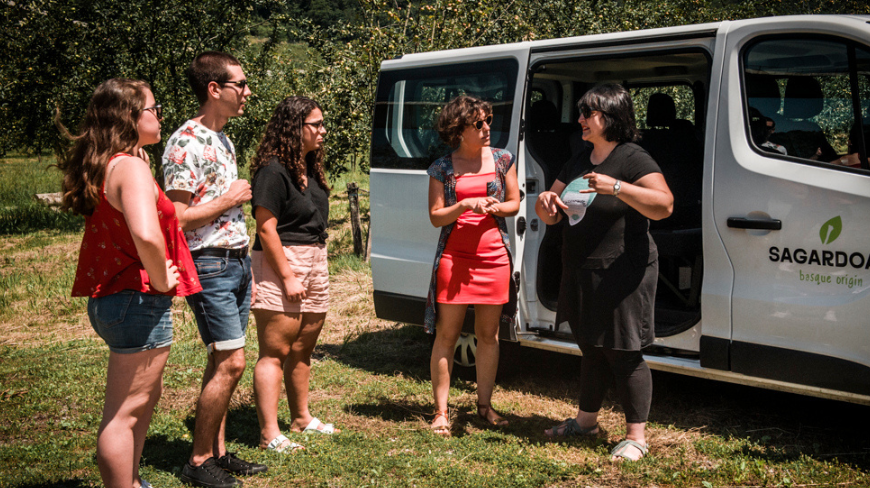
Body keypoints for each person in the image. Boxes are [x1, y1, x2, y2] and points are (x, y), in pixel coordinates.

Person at [62, 78, 201, 488]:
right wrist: (161, 279)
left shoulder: (113, 163)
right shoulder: (132, 168)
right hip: (137, 300)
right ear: (129, 117)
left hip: (115, 300)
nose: (159, 116)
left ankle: (133, 481)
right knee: (125, 412)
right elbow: (146, 233)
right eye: (152, 109)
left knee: (142, 401)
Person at [535, 84, 673, 462]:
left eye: (587, 113)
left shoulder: (632, 158)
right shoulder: (579, 159)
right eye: (581, 112)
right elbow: (549, 211)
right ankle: (586, 422)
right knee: (591, 349)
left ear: (610, 117)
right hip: (581, 268)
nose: (579, 119)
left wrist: (617, 187)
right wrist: (545, 202)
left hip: (622, 270)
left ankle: (636, 437)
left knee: (623, 351)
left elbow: (664, 205)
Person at [162, 52, 264, 487]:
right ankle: (198, 461)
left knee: (222, 358)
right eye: (239, 84)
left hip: (235, 263)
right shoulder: (185, 142)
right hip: (208, 265)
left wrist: (250, 269)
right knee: (232, 362)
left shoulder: (223, 138)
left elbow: (227, 218)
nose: (246, 91)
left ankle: (217, 453)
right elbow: (177, 219)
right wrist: (230, 199)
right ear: (214, 89)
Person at [425, 95, 520, 436]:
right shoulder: (442, 168)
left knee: (488, 336)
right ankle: (440, 412)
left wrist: (495, 208)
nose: (487, 129)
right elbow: (437, 217)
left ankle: (485, 406)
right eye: (478, 124)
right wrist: (465, 204)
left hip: (494, 259)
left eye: (488, 121)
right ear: (459, 129)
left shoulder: (502, 160)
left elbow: (514, 203)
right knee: (447, 336)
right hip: (455, 259)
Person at [248, 96, 337, 452]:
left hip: (316, 259)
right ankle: (270, 433)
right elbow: (266, 228)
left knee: (302, 348)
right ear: (293, 127)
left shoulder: (311, 166)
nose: (323, 130)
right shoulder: (272, 170)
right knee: (274, 351)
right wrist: (286, 276)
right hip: (281, 262)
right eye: (316, 124)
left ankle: (301, 418)